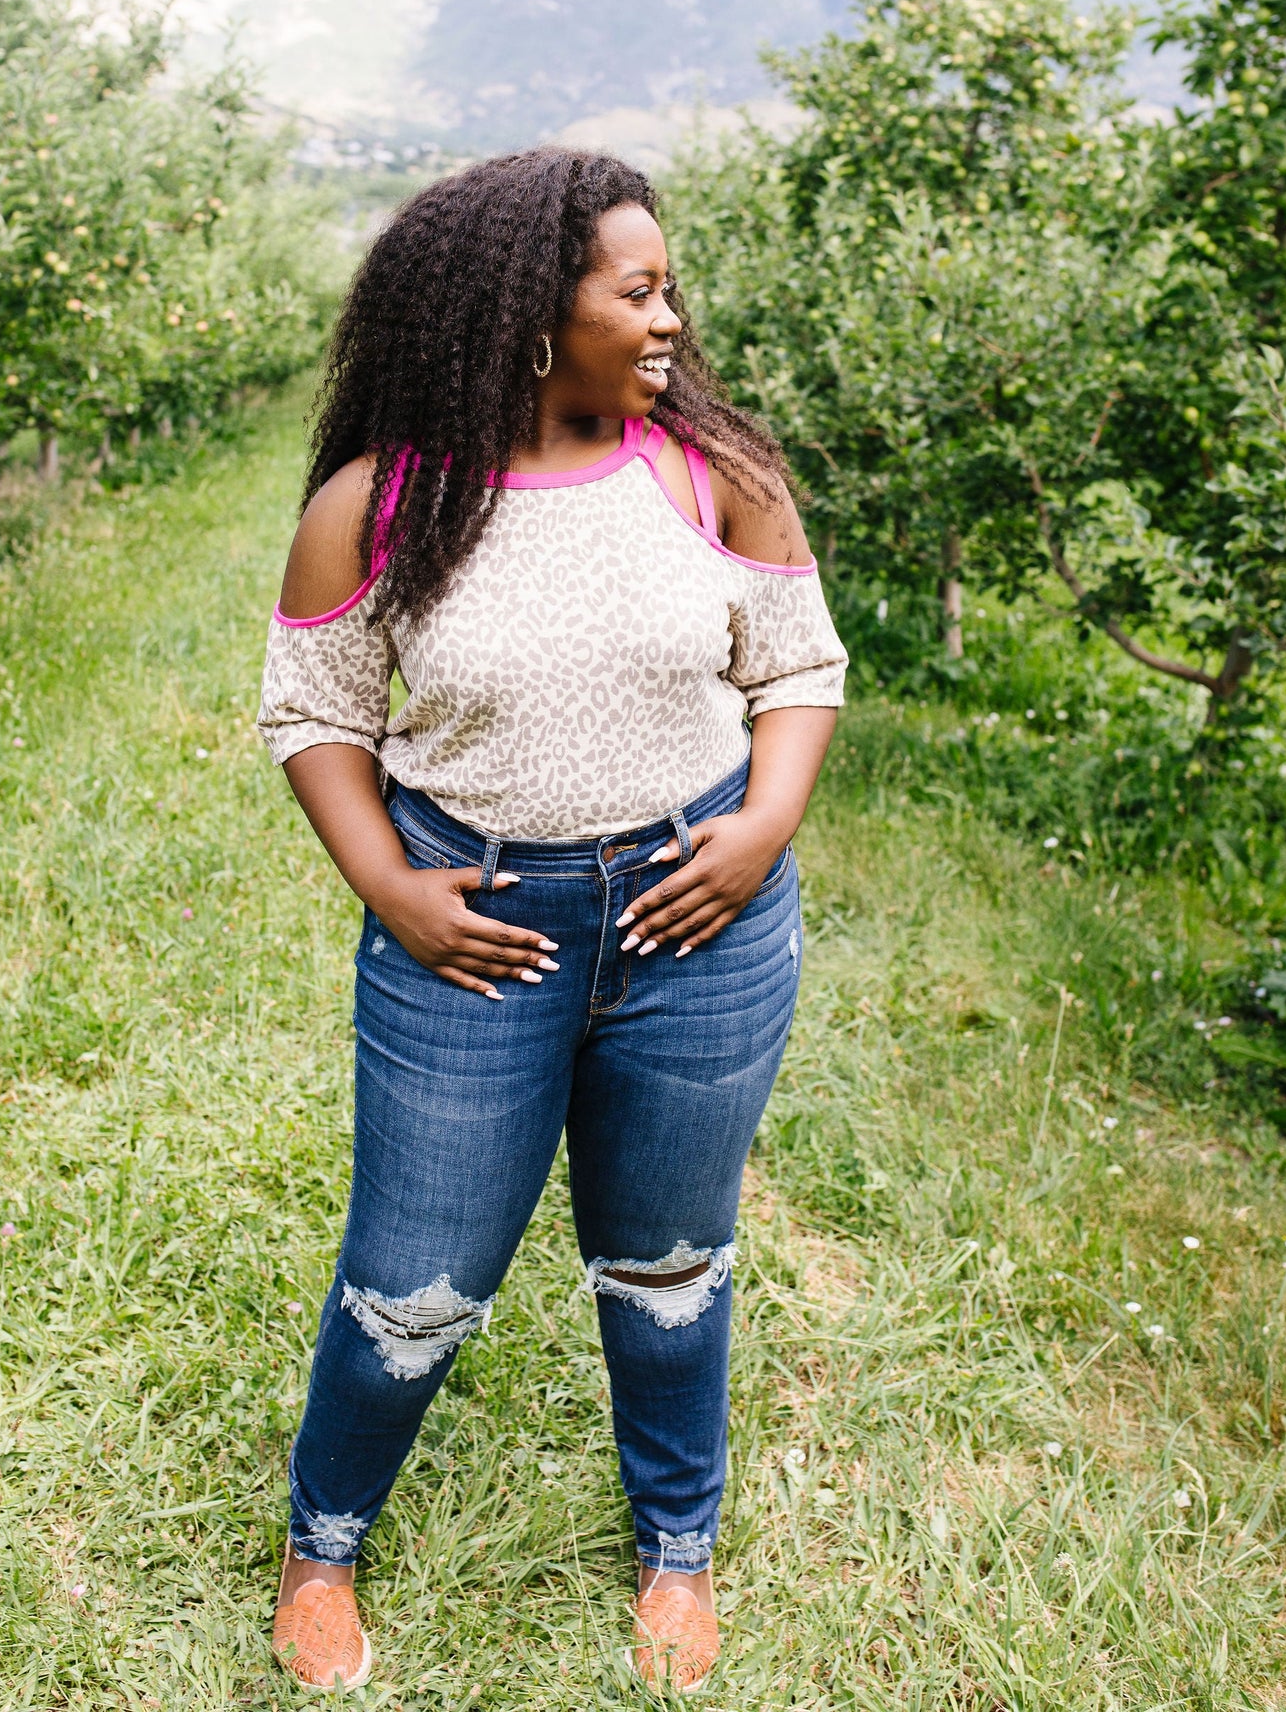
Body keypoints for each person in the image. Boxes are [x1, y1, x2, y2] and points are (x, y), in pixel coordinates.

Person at [256, 148, 846, 1694]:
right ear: (530, 313)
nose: (668, 320)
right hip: (479, 925)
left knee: (666, 1261)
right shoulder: (379, 504)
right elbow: (314, 714)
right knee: (417, 1271)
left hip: (695, 925)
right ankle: (323, 1546)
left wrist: (762, 825)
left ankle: (677, 1550)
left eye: (666, 289)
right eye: (635, 292)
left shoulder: (710, 466)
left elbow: (795, 667)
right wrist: (388, 885)